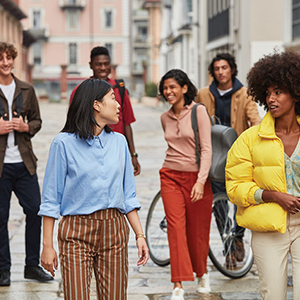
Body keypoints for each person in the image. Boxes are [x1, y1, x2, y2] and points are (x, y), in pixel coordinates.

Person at [39, 78, 148, 300]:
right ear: (96, 105)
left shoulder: (119, 142)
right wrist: (47, 246)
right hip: (76, 232)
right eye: (112, 99)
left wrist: (140, 235)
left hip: (114, 230)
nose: (119, 105)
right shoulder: (63, 144)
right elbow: (51, 200)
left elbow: (128, 196)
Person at [226, 51, 300, 300]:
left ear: (295, 92)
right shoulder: (250, 138)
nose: (271, 98)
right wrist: (272, 195)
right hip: (269, 227)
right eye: (267, 93)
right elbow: (235, 187)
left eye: (278, 92)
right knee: (272, 294)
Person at [196, 53, 261, 268]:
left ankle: (239, 237)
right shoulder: (204, 94)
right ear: (212, 72)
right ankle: (229, 247)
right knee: (219, 205)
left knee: (242, 200)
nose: (221, 72)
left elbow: (255, 120)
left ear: (232, 69)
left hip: (239, 157)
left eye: (224, 67)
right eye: (216, 68)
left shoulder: (245, 94)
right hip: (214, 156)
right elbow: (194, 120)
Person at [0, 42, 53, 286]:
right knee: (0, 218)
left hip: (24, 163)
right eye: (0, 58)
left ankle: (32, 265)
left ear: (14, 60)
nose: (5, 63)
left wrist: (26, 127)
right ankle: (3, 271)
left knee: (34, 209)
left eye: (8, 58)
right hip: (0, 167)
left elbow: (37, 121)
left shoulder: (27, 89)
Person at [159, 69, 213, 300]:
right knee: (175, 228)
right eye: (165, 88)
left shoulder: (198, 111)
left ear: (183, 88)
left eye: (172, 87)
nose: (168, 92)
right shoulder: (164, 117)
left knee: (198, 232)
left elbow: (207, 148)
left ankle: (202, 272)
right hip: (170, 175)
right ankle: (178, 284)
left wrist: (201, 181)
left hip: (196, 178)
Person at [69, 46, 141, 176]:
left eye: (106, 64)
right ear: (91, 65)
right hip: (88, 151)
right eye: (98, 64)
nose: (103, 68)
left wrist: (133, 154)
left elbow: (127, 123)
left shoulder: (119, 89)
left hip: (116, 151)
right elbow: (74, 123)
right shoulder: (80, 91)